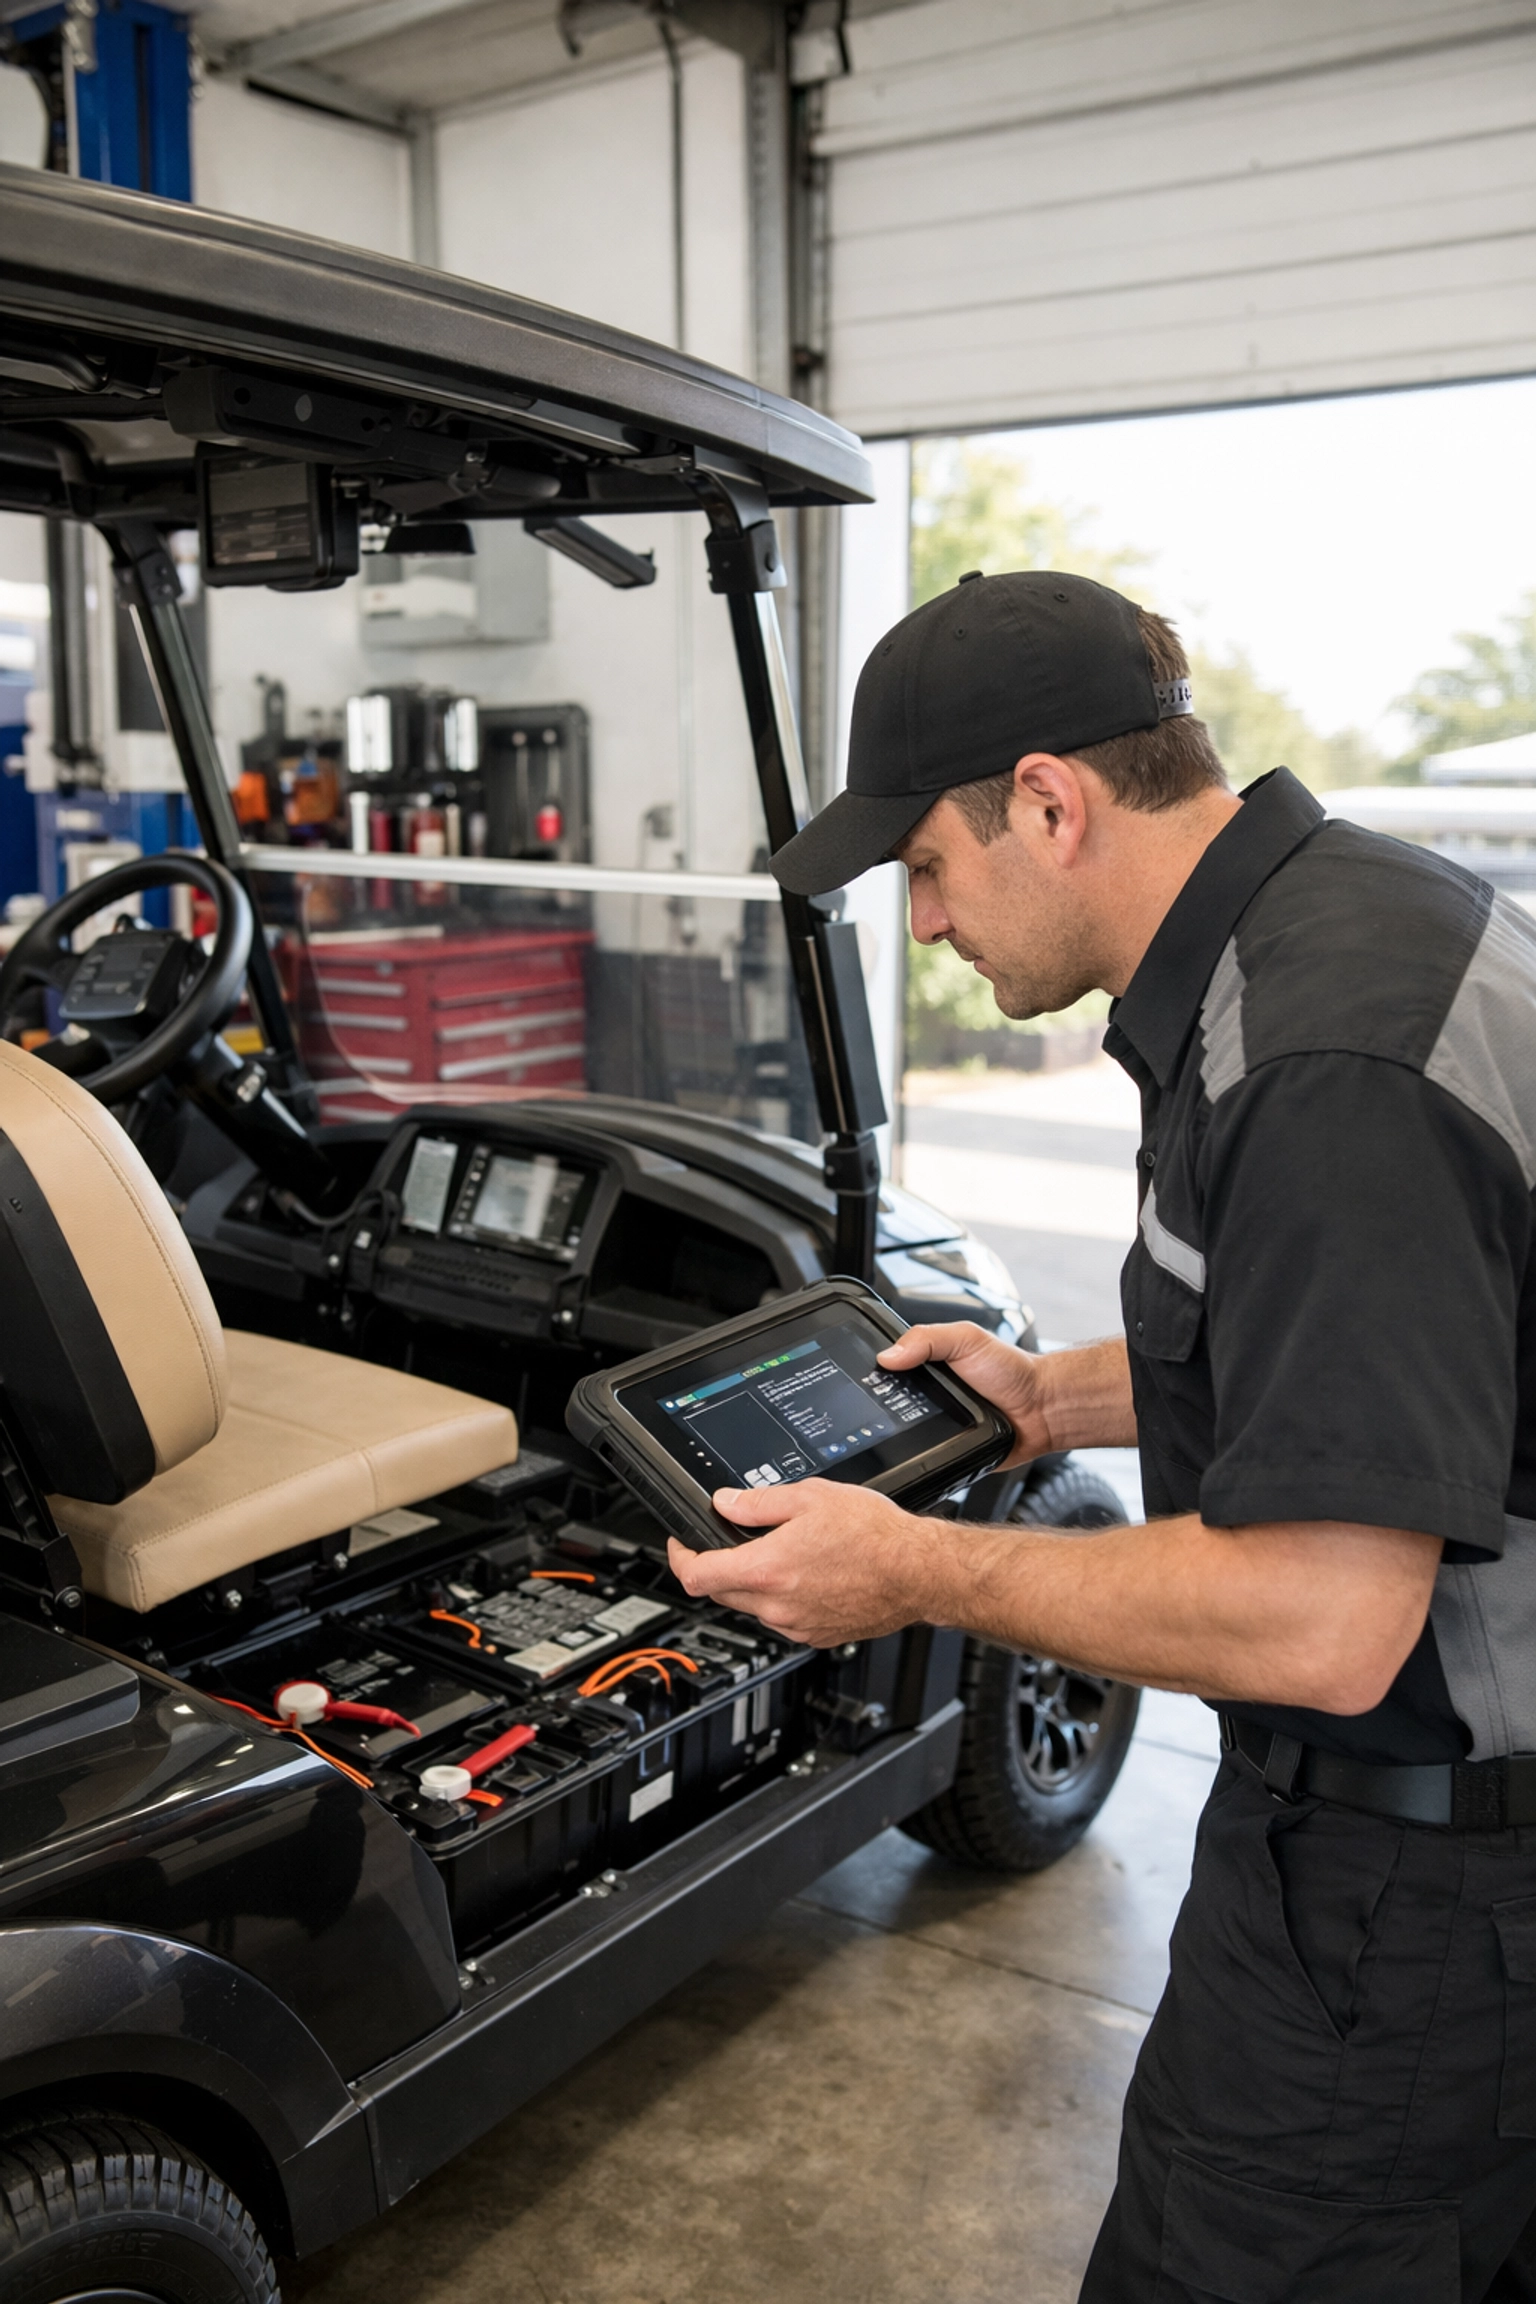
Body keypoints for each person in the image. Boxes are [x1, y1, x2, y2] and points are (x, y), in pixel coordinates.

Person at [667, 569, 1536, 2302]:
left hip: (1417, 1899)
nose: (925, 924)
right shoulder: (1352, 921)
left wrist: (914, 1571)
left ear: (1050, 804)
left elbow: (1322, 1617)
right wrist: (1048, 1397)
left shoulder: (1320, 1059)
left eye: (926, 866)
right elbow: (1371, 1359)